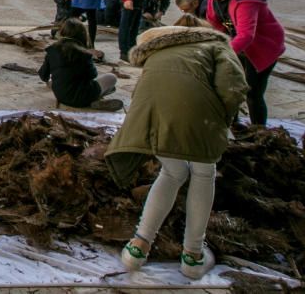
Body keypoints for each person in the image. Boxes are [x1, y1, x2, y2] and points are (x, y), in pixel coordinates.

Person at [105, 15, 248, 280]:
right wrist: (222, 121)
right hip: (199, 116)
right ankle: (193, 256)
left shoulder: (161, 48)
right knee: (204, 174)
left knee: (171, 173)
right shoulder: (217, 46)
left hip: (151, 118)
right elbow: (233, 88)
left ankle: (138, 247)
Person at [197, 0, 285, 126]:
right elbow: (215, 21)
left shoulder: (247, 0)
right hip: (236, 43)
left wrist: (223, 53)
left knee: (252, 92)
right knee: (230, 86)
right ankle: (233, 124)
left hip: (262, 46)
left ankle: (259, 130)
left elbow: (246, 35)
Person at [39, 18, 122, 111]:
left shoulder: (52, 49)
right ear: (82, 35)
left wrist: (54, 81)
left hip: (60, 95)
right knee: (111, 78)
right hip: (80, 97)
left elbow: (43, 75)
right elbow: (93, 75)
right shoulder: (84, 53)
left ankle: (94, 99)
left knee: (63, 81)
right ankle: (93, 101)